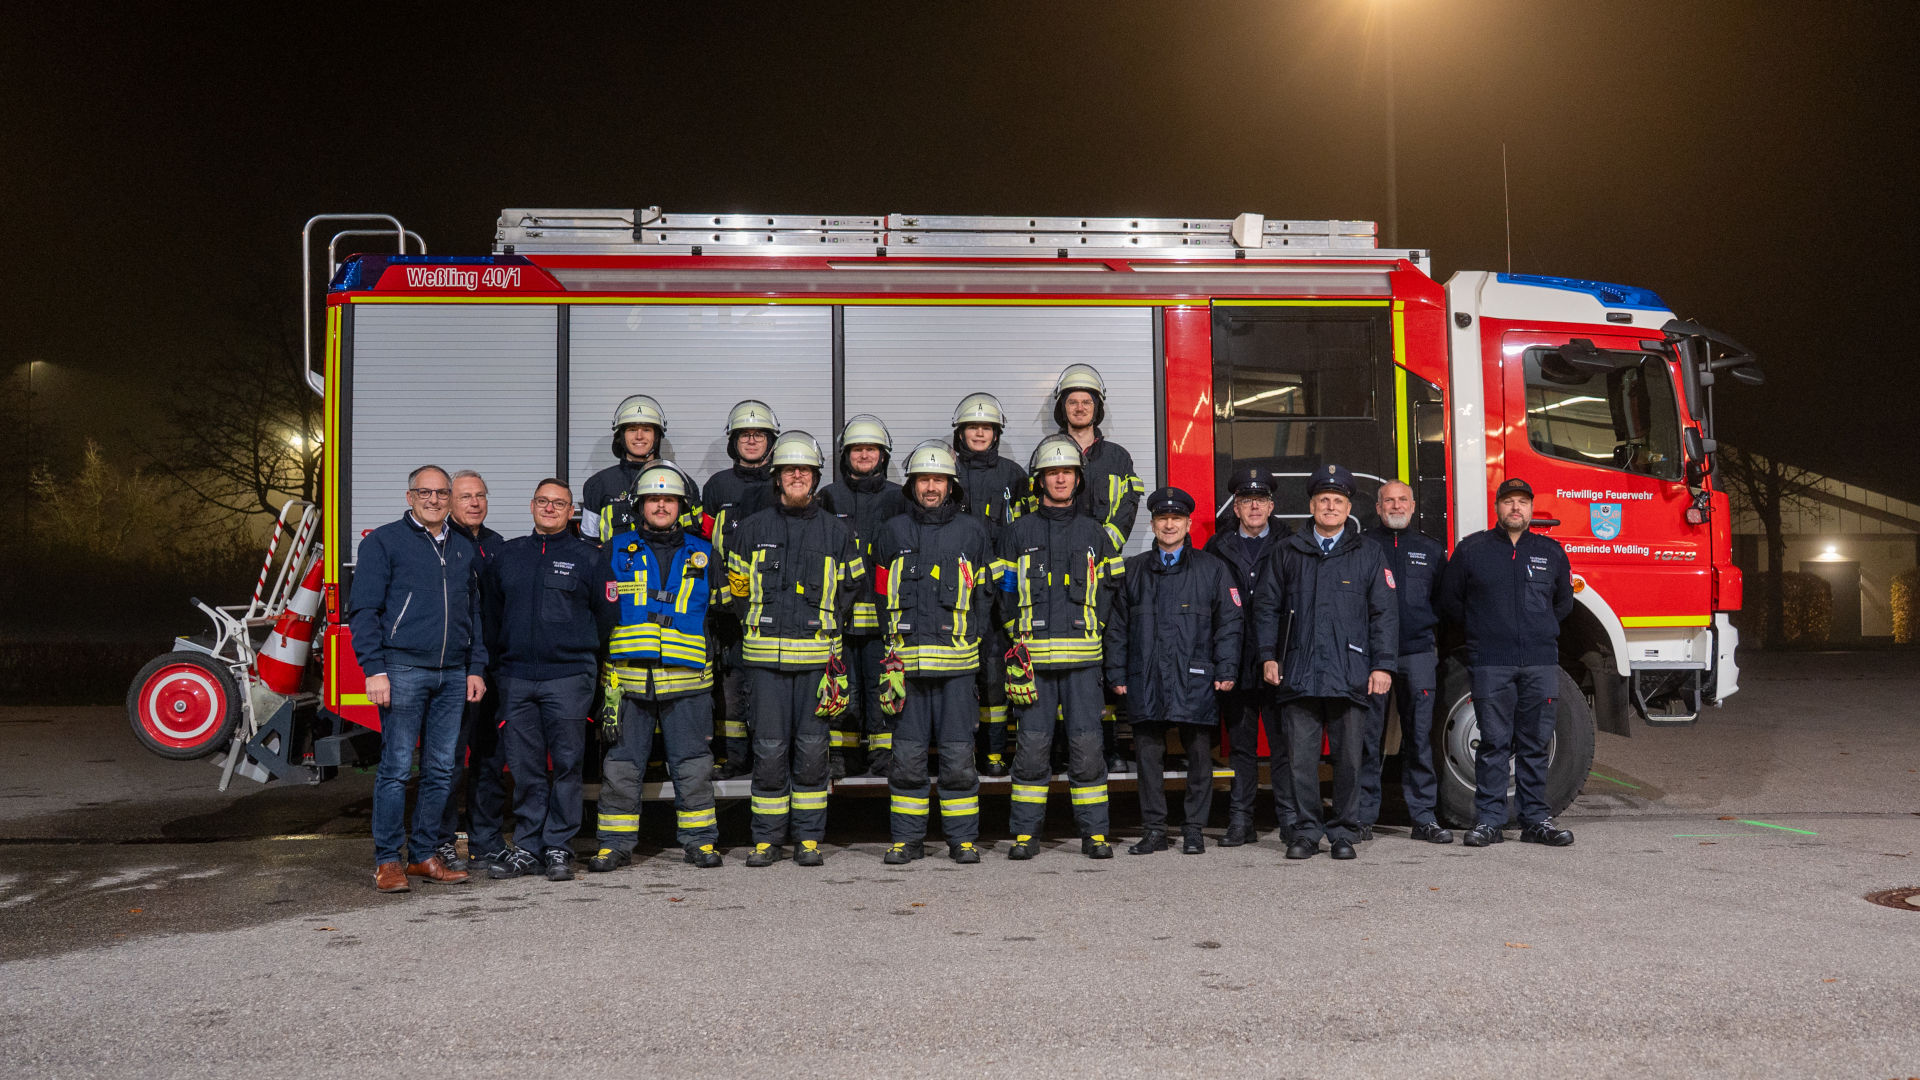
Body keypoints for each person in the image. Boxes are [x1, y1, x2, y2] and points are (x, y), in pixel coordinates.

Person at [347, 465, 487, 893]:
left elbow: (473, 614)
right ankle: (388, 861)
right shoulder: (383, 543)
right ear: (409, 497)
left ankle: (424, 855)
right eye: (424, 493)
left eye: (442, 493)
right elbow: (364, 611)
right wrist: (374, 669)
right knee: (395, 769)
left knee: (442, 769)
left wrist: (476, 666)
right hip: (403, 669)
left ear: (450, 498)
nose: (433, 500)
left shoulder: (463, 546)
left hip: (452, 673)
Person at [726, 431, 863, 867]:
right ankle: (766, 839)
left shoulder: (838, 533)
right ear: (777, 478)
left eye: (804, 470)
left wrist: (824, 623)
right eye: (790, 471)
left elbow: (853, 586)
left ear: (815, 477)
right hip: (764, 663)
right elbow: (737, 588)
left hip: (816, 662)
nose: (797, 477)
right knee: (768, 751)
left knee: (811, 751)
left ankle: (808, 839)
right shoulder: (751, 531)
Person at [1251, 464, 1397, 862]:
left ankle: (1345, 832)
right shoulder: (1287, 552)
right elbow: (1266, 609)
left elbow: (1384, 614)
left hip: (1350, 674)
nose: (1330, 507)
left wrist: (1382, 666)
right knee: (1300, 762)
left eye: (1338, 501)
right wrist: (1268, 657)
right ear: (1311, 505)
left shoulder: (1368, 553)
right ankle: (1306, 832)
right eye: (1323, 500)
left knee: (1349, 760)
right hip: (1298, 672)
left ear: (1348, 508)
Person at [589, 462, 725, 871]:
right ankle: (614, 845)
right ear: (641, 505)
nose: (661, 505)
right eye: (653, 499)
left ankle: (700, 842)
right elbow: (600, 610)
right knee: (621, 767)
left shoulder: (703, 552)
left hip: (688, 682)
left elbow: (720, 614)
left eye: (668, 499)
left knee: (694, 766)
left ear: (681, 505)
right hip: (629, 683)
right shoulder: (615, 549)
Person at [995, 434, 1126, 861]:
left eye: (1067, 472)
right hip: (1032, 662)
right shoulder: (1017, 533)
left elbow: (1111, 591)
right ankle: (1025, 835)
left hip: (1083, 665)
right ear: (1040, 480)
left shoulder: (1097, 534)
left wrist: (1097, 630)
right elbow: (1005, 591)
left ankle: (1096, 834)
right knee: (1031, 751)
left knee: (1088, 750)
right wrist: (1017, 634)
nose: (1060, 479)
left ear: (1078, 478)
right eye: (1052, 473)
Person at [479, 480, 613, 882]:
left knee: (569, 766)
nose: (550, 508)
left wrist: (586, 661)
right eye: (543, 501)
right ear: (531, 505)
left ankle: (559, 847)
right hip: (516, 678)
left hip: (569, 678)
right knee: (526, 768)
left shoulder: (590, 558)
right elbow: (491, 615)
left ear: (571, 511)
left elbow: (606, 619)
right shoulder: (507, 556)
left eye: (559, 503)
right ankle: (527, 846)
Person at [870, 442, 995, 865]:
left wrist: (971, 643)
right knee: (906, 759)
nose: (930, 487)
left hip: (957, 670)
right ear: (911, 485)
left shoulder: (973, 532)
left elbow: (984, 598)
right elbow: (879, 595)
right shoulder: (891, 533)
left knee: (959, 758)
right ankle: (907, 840)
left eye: (938, 479)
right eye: (923, 479)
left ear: (950, 486)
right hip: (904, 669)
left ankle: (962, 840)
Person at [1434, 478, 1577, 849]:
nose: (1516, 508)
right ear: (1497, 507)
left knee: (1535, 742)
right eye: (1509, 501)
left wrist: (1538, 629)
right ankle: (1489, 821)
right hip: (1491, 663)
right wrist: (1484, 631)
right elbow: (1451, 602)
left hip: (1539, 663)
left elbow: (1563, 603)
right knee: (1494, 743)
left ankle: (1536, 820)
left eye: (1523, 502)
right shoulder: (1472, 551)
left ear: (1531, 509)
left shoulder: (1551, 552)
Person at [1106, 488, 1242, 855]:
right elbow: (1117, 627)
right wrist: (1116, 673)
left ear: (1188, 524)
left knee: (1200, 756)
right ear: (1152, 524)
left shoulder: (1212, 569)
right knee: (1149, 759)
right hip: (1145, 676)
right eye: (1163, 519)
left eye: (1176, 519)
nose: (1169, 525)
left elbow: (1229, 623)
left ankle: (1194, 828)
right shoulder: (1133, 571)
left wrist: (1226, 668)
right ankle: (1154, 830)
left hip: (1195, 676)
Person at [1049, 364, 1145, 773]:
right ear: (1062, 408)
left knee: (1107, 656)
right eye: (1072, 401)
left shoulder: (1118, 456)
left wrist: (1100, 547)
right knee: (1059, 660)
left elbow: (1128, 507)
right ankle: (1060, 749)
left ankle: (1112, 745)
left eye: (1087, 401)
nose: (1080, 407)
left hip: (1103, 572)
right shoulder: (1050, 450)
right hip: (1058, 576)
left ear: (1097, 408)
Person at [1359, 480, 1453, 844]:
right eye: (1389, 501)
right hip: (1371, 657)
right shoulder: (1364, 546)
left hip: (1417, 654)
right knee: (1369, 737)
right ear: (1378, 508)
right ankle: (1363, 817)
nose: (1396, 507)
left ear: (1413, 507)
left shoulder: (1430, 550)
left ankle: (1424, 818)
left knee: (1419, 737)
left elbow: (1444, 604)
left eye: (1402, 501)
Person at [1203, 466, 1291, 847]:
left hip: (1279, 662)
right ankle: (1241, 822)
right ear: (1235, 508)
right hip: (1235, 661)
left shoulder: (1291, 545)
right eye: (1245, 500)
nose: (1253, 506)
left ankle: (1290, 822)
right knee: (1240, 747)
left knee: (1283, 746)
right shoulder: (1216, 547)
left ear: (1271, 506)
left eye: (1260, 500)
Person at [817, 415, 909, 779]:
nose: (865, 455)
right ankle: (840, 756)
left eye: (871, 449)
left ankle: (883, 757)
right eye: (858, 449)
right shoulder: (828, 497)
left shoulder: (898, 498)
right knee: (840, 685)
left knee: (881, 687)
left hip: (884, 616)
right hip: (839, 614)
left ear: (883, 455)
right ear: (846, 455)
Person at [704, 399, 781, 779]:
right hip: (727, 610)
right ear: (734, 442)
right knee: (731, 687)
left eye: (759, 435)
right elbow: (704, 547)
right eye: (745, 435)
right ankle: (735, 758)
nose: (752, 441)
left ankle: (768, 759)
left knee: (767, 688)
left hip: (774, 608)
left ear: (771, 441)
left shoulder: (784, 480)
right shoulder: (717, 486)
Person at [437, 470, 510, 872]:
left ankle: (486, 840)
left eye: (481, 495)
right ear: (448, 502)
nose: (475, 503)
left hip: (494, 670)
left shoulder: (497, 546)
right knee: (448, 762)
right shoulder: (441, 545)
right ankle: (442, 841)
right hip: (457, 670)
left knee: (489, 760)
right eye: (466, 497)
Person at [950, 392, 1026, 778]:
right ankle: (963, 754)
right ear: (960, 432)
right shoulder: (945, 471)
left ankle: (994, 753)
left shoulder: (1013, 475)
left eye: (986, 427)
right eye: (972, 427)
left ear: (995, 433)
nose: (979, 433)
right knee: (960, 678)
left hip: (1003, 593)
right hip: (955, 594)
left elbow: (1025, 530)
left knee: (995, 678)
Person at [580, 394, 667, 544]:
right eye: (632, 429)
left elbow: (692, 538)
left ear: (657, 436)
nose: (639, 436)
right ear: (620, 436)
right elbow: (589, 541)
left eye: (646, 429)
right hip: (613, 566)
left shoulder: (680, 482)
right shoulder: (599, 484)